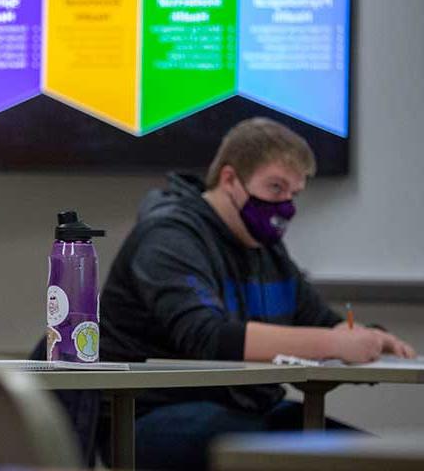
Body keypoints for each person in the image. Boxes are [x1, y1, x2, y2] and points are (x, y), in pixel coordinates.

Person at [99, 117, 416, 471]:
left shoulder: (266, 249)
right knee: (285, 459)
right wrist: (335, 343)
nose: (285, 206)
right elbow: (209, 337)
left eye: (293, 194)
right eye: (276, 188)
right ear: (230, 179)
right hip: (153, 416)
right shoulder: (169, 237)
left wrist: (364, 337)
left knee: (380, 462)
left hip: (247, 409)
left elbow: (320, 322)